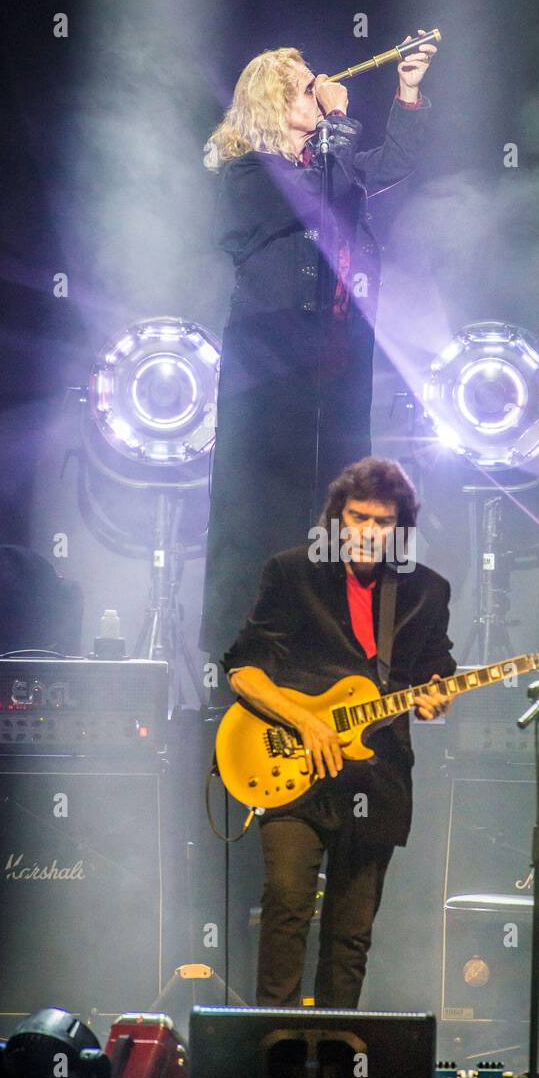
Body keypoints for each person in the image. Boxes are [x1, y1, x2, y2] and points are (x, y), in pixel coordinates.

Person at [198, 34, 438, 675]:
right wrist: (334, 119)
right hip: (270, 382)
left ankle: (332, 656)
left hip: (335, 373)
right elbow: (307, 197)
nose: (322, 88)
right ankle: (244, 661)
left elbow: (388, 169)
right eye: (306, 86)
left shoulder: (330, 167)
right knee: (262, 519)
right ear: (276, 104)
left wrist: (407, 91)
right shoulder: (250, 172)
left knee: (337, 512)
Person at [221, 457, 456, 1009]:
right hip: (295, 768)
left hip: (378, 778)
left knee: (350, 936)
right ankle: (268, 1058)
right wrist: (306, 722)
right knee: (286, 906)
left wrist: (436, 699)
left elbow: (435, 672)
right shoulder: (293, 573)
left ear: (401, 528)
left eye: (382, 521)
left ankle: (333, 1064)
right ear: (336, 518)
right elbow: (243, 669)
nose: (368, 532)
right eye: (357, 518)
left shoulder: (426, 591)